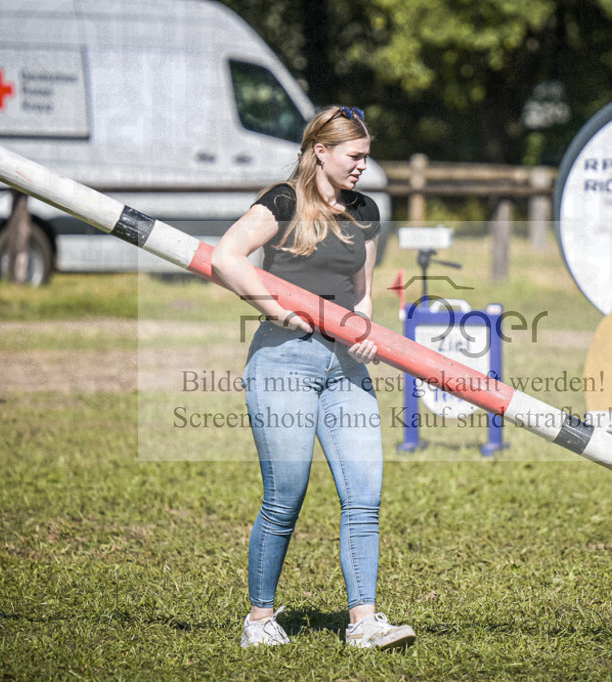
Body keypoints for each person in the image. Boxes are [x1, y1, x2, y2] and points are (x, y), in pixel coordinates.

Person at [211, 105, 416, 650]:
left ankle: (363, 623)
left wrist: (366, 329)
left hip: (345, 364)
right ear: (320, 151)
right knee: (286, 496)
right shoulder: (281, 202)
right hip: (283, 360)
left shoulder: (365, 210)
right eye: (354, 157)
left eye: (366, 159)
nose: (361, 169)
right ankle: (259, 620)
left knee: (364, 495)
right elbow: (226, 256)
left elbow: (363, 289)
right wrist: (271, 307)